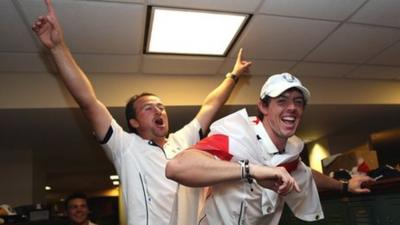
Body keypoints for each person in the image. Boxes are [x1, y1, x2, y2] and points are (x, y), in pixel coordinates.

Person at [31, 1, 252, 225]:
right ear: (134, 122)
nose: (159, 110)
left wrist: (233, 75)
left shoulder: (183, 141)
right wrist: (58, 47)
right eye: (149, 108)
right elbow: (88, 102)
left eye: (161, 106)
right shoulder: (124, 147)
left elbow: (209, 107)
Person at [166, 73, 374, 225]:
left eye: (298, 102)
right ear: (264, 107)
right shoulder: (237, 136)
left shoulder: (292, 149)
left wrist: (344, 186)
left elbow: (306, 175)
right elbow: (176, 167)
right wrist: (252, 170)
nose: (292, 107)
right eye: (282, 101)